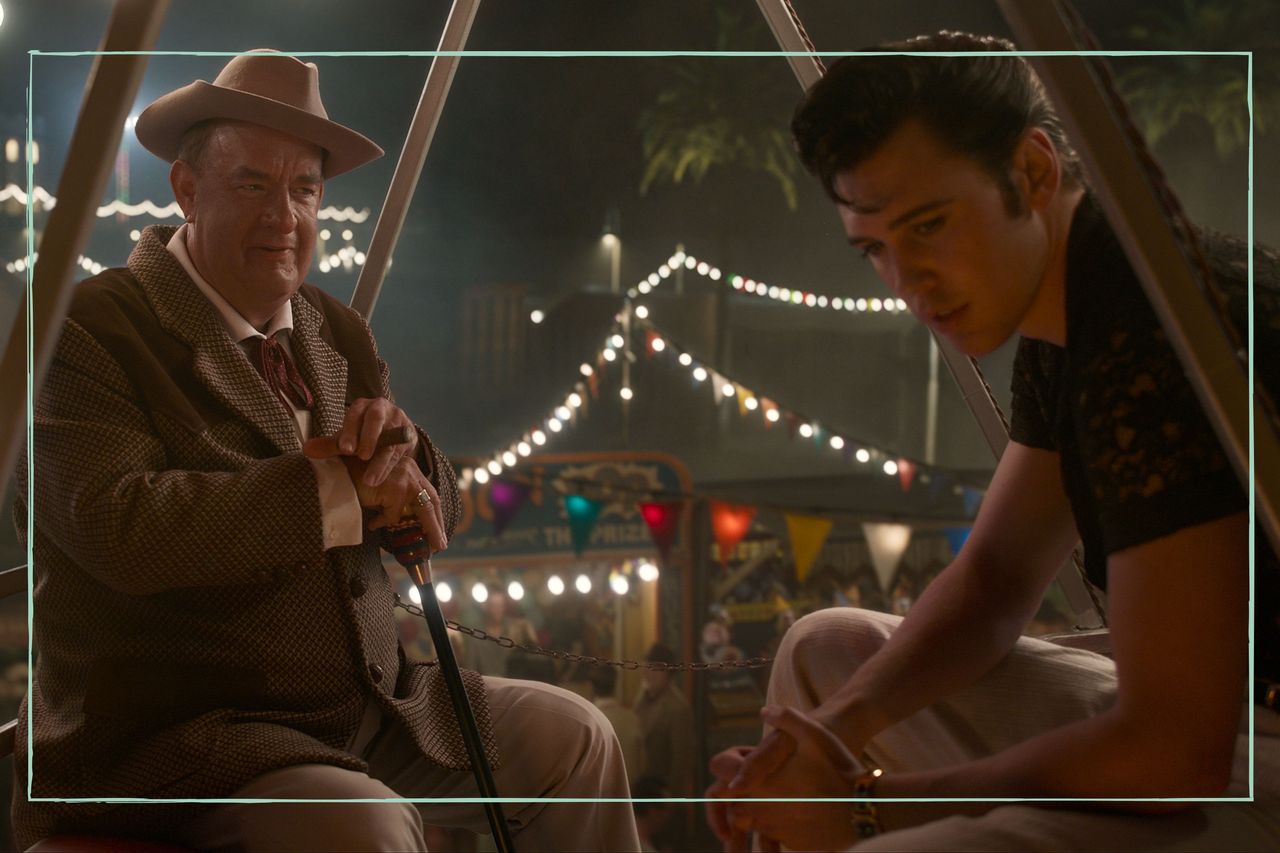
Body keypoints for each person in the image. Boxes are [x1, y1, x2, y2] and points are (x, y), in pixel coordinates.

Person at [14, 50, 639, 852]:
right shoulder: (87, 327)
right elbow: (118, 527)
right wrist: (342, 488)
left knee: (576, 736)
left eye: (305, 189)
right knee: (361, 826)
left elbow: (424, 483)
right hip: (184, 737)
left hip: (369, 705)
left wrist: (412, 478)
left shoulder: (333, 328)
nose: (286, 216)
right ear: (185, 189)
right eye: (252, 185)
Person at [707, 32, 1280, 852]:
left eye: (929, 226)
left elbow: (1171, 750)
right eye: (877, 250)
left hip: (1242, 750)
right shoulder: (1070, 312)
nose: (908, 281)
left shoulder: (1152, 332)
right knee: (824, 651)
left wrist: (870, 803)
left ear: (1034, 171)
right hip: (1212, 727)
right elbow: (995, 579)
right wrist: (827, 740)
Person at [634, 644, 694, 798]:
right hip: (639, 791)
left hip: (660, 797)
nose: (648, 673)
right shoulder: (641, 700)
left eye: (655, 669)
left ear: (669, 673)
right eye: (646, 667)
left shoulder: (677, 708)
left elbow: (680, 762)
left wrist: (670, 800)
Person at [589, 664, 646, 786]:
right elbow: (642, 764)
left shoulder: (588, 721)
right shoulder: (631, 719)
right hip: (628, 792)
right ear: (615, 686)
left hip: (598, 796)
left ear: (592, 687)